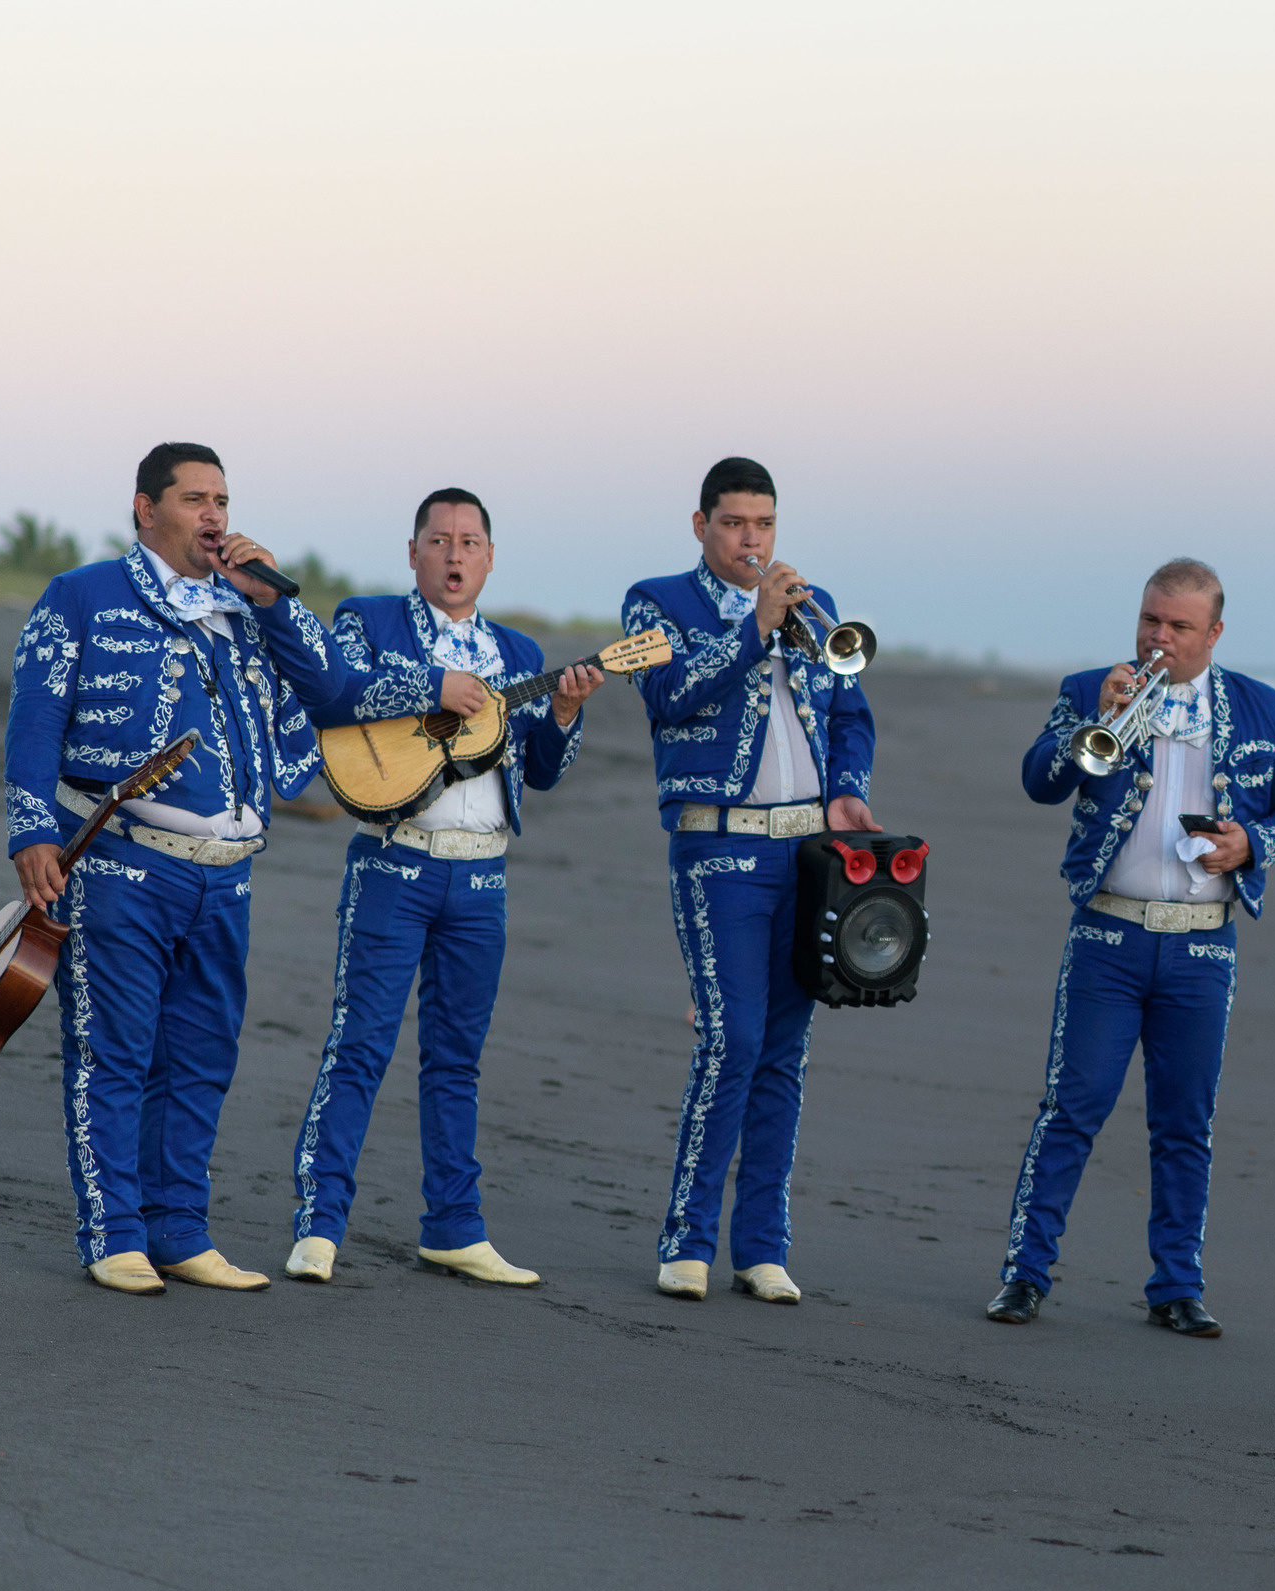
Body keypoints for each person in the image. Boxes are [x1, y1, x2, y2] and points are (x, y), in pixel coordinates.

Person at [4, 442, 344, 1294]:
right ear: (144, 508)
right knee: (114, 1053)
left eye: (222, 499)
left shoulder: (247, 602)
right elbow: (36, 714)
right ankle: (115, 1232)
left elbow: (334, 689)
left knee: (201, 1055)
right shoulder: (80, 595)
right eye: (195, 498)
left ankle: (181, 1231)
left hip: (227, 873)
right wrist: (29, 831)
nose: (215, 515)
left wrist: (272, 596)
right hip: (122, 862)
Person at [984, 558, 1275, 1337]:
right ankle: (1024, 1274)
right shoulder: (1089, 688)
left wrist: (1254, 843)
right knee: (1071, 1109)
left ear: (1214, 633)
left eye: (1177, 626)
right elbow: (1039, 781)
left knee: (1184, 1122)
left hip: (1203, 947)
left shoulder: (1265, 709)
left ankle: (1176, 1285)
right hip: (1108, 933)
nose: (1158, 638)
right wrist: (1088, 724)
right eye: (1149, 620)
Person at [280, 488, 604, 1287]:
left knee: (457, 1059)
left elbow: (543, 775)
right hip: (395, 862)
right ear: (414, 551)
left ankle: (455, 1226)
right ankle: (319, 1224)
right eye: (439, 540)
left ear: (491, 557)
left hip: (484, 873)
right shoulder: (369, 618)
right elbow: (334, 690)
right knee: (360, 1044)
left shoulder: (520, 653)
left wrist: (562, 714)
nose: (455, 555)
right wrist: (434, 684)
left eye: (470, 542)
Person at [621, 456, 877, 1304]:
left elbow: (851, 713)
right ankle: (688, 1238)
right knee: (730, 1038)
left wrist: (848, 792)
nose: (751, 539)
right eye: (734, 523)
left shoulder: (818, 607)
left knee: (784, 1050)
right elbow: (668, 696)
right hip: (718, 847)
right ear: (701, 526)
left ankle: (761, 1245)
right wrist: (755, 628)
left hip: (808, 852)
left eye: (764, 524)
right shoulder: (657, 601)